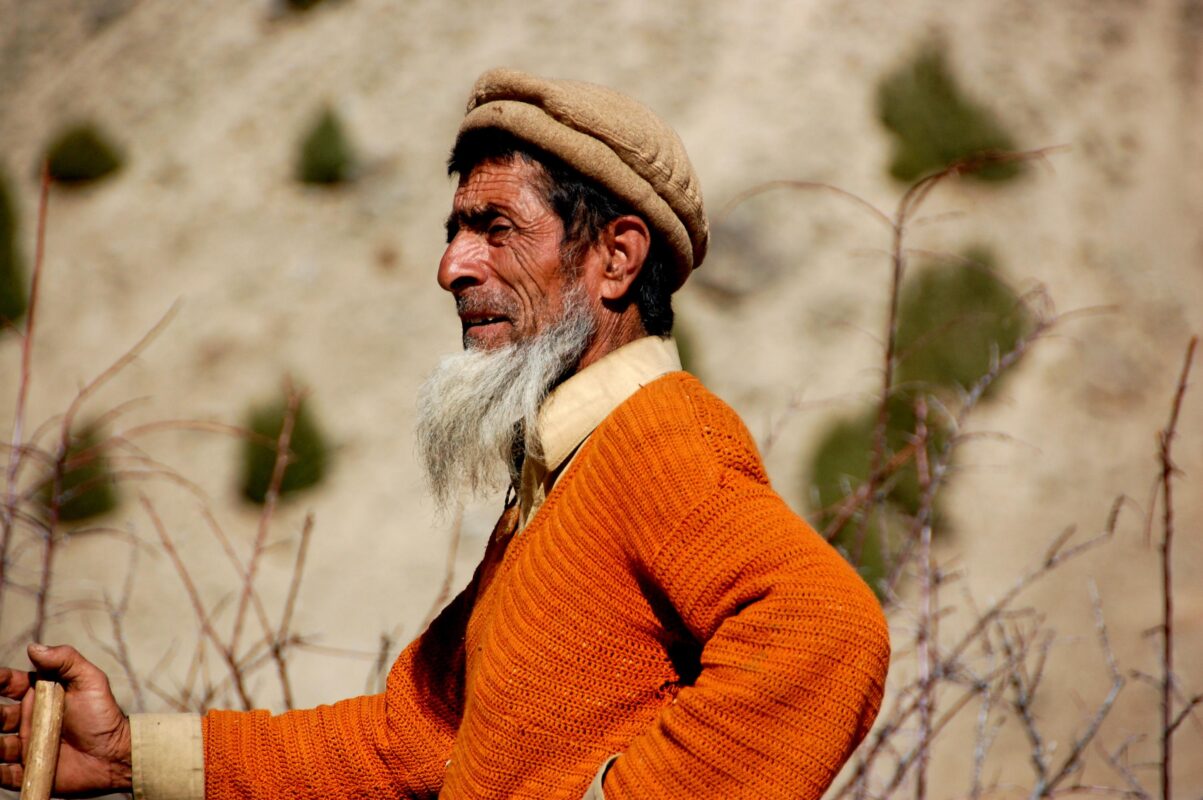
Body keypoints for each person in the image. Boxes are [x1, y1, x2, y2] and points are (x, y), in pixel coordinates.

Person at [0, 68, 890, 799]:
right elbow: (413, 738)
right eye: (456, 230)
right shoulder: (561, 480)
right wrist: (128, 755)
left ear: (616, 258)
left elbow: (826, 632)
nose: (451, 267)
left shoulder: (657, 438)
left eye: (496, 229)